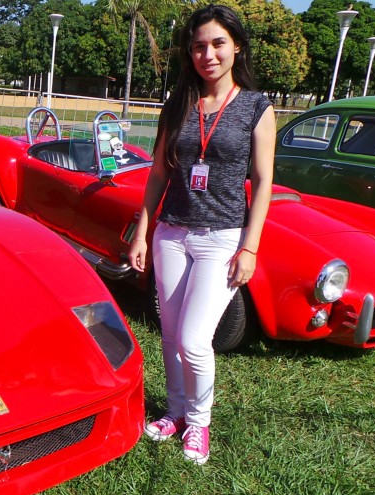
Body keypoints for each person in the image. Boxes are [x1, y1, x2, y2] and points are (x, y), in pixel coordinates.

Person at [127, 4, 276, 465]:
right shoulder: (179, 104)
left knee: (194, 340)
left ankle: (198, 422)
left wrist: (249, 246)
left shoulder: (256, 107)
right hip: (172, 232)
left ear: (236, 47)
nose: (207, 54)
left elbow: (264, 181)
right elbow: (157, 174)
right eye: (198, 46)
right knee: (170, 335)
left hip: (221, 237)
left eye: (217, 43)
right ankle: (173, 411)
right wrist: (142, 231)